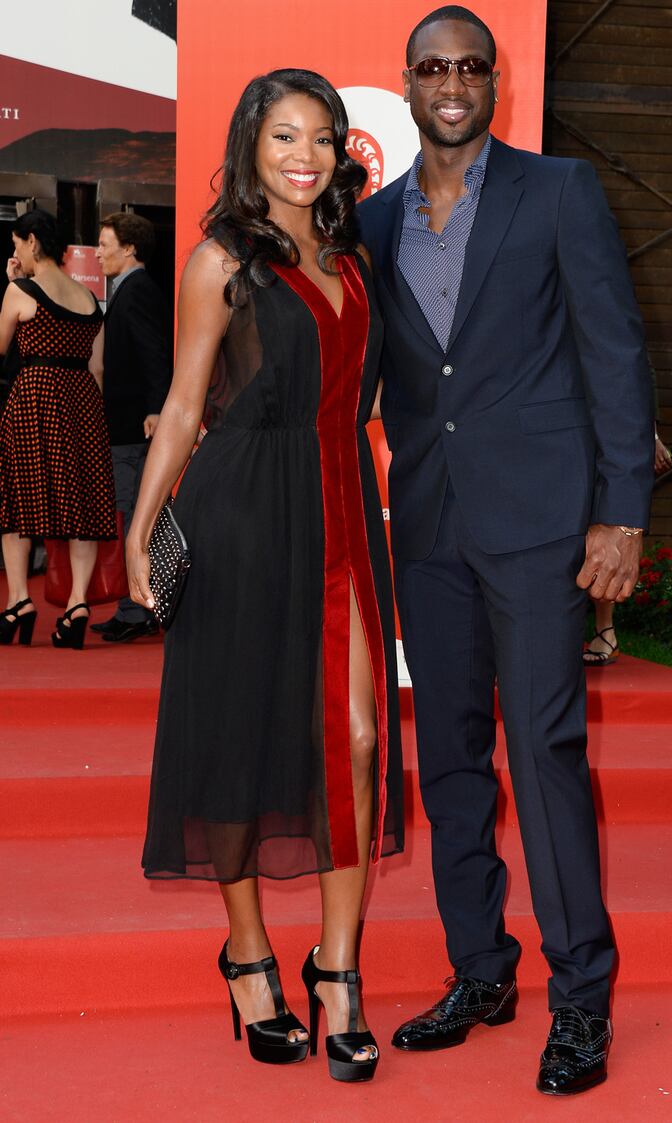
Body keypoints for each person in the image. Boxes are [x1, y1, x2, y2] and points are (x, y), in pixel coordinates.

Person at [358, 6, 653, 1096]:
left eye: (468, 67)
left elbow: (614, 352)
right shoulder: (376, 219)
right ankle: (479, 970)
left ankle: (580, 997)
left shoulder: (558, 193)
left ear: (496, 82)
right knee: (448, 763)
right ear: (406, 83)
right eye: (431, 67)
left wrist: (619, 513)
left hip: (538, 528)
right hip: (428, 525)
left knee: (541, 754)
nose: (450, 83)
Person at [126, 70, 403, 1083]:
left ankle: (338, 968)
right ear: (250, 144)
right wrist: (139, 530)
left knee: (360, 736)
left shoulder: (353, 255)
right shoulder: (218, 261)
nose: (305, 153)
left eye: (322, 137)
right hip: (241, 511)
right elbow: (186, 401)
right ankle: (247, 953)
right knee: (236, 733)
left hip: (336, 507)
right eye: (284, 135)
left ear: (340, 151)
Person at [0, 208, 115, 649]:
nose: (16, 255)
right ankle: (78, 603)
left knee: (15, 504)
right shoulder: (89, 299)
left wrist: (8, 284)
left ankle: (17, 601)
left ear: (31, 242)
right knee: (80, 508)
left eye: (15, 246)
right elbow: (98, 368)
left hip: (34, 398)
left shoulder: (21, 290)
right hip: (83, 403)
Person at [92, 212, 171, 643]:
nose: (98, 252)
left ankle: (137, 609)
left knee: (135, 516)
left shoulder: (137, 290)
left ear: (129, 248)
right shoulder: (127, 289)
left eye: (105, 243)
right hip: (127, 424)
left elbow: (153, 351)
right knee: (135, 514)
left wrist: (157, 408)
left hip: (134, 427)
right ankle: (137, 606)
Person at [584, 424, 672, 666]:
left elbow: (628, 391)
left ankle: (605, 631)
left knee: (602, 533)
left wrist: (650, 436)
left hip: (603, 442)